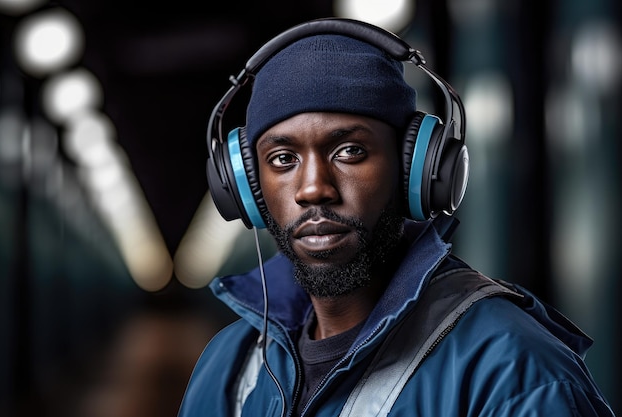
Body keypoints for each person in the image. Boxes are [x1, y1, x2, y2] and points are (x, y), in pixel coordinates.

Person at [178, 18, 615, 417]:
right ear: (247, 190)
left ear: (414, 173)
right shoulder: (229, 366)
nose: (313, 188)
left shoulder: (514, 372)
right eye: (283, 158)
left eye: (350, 151)